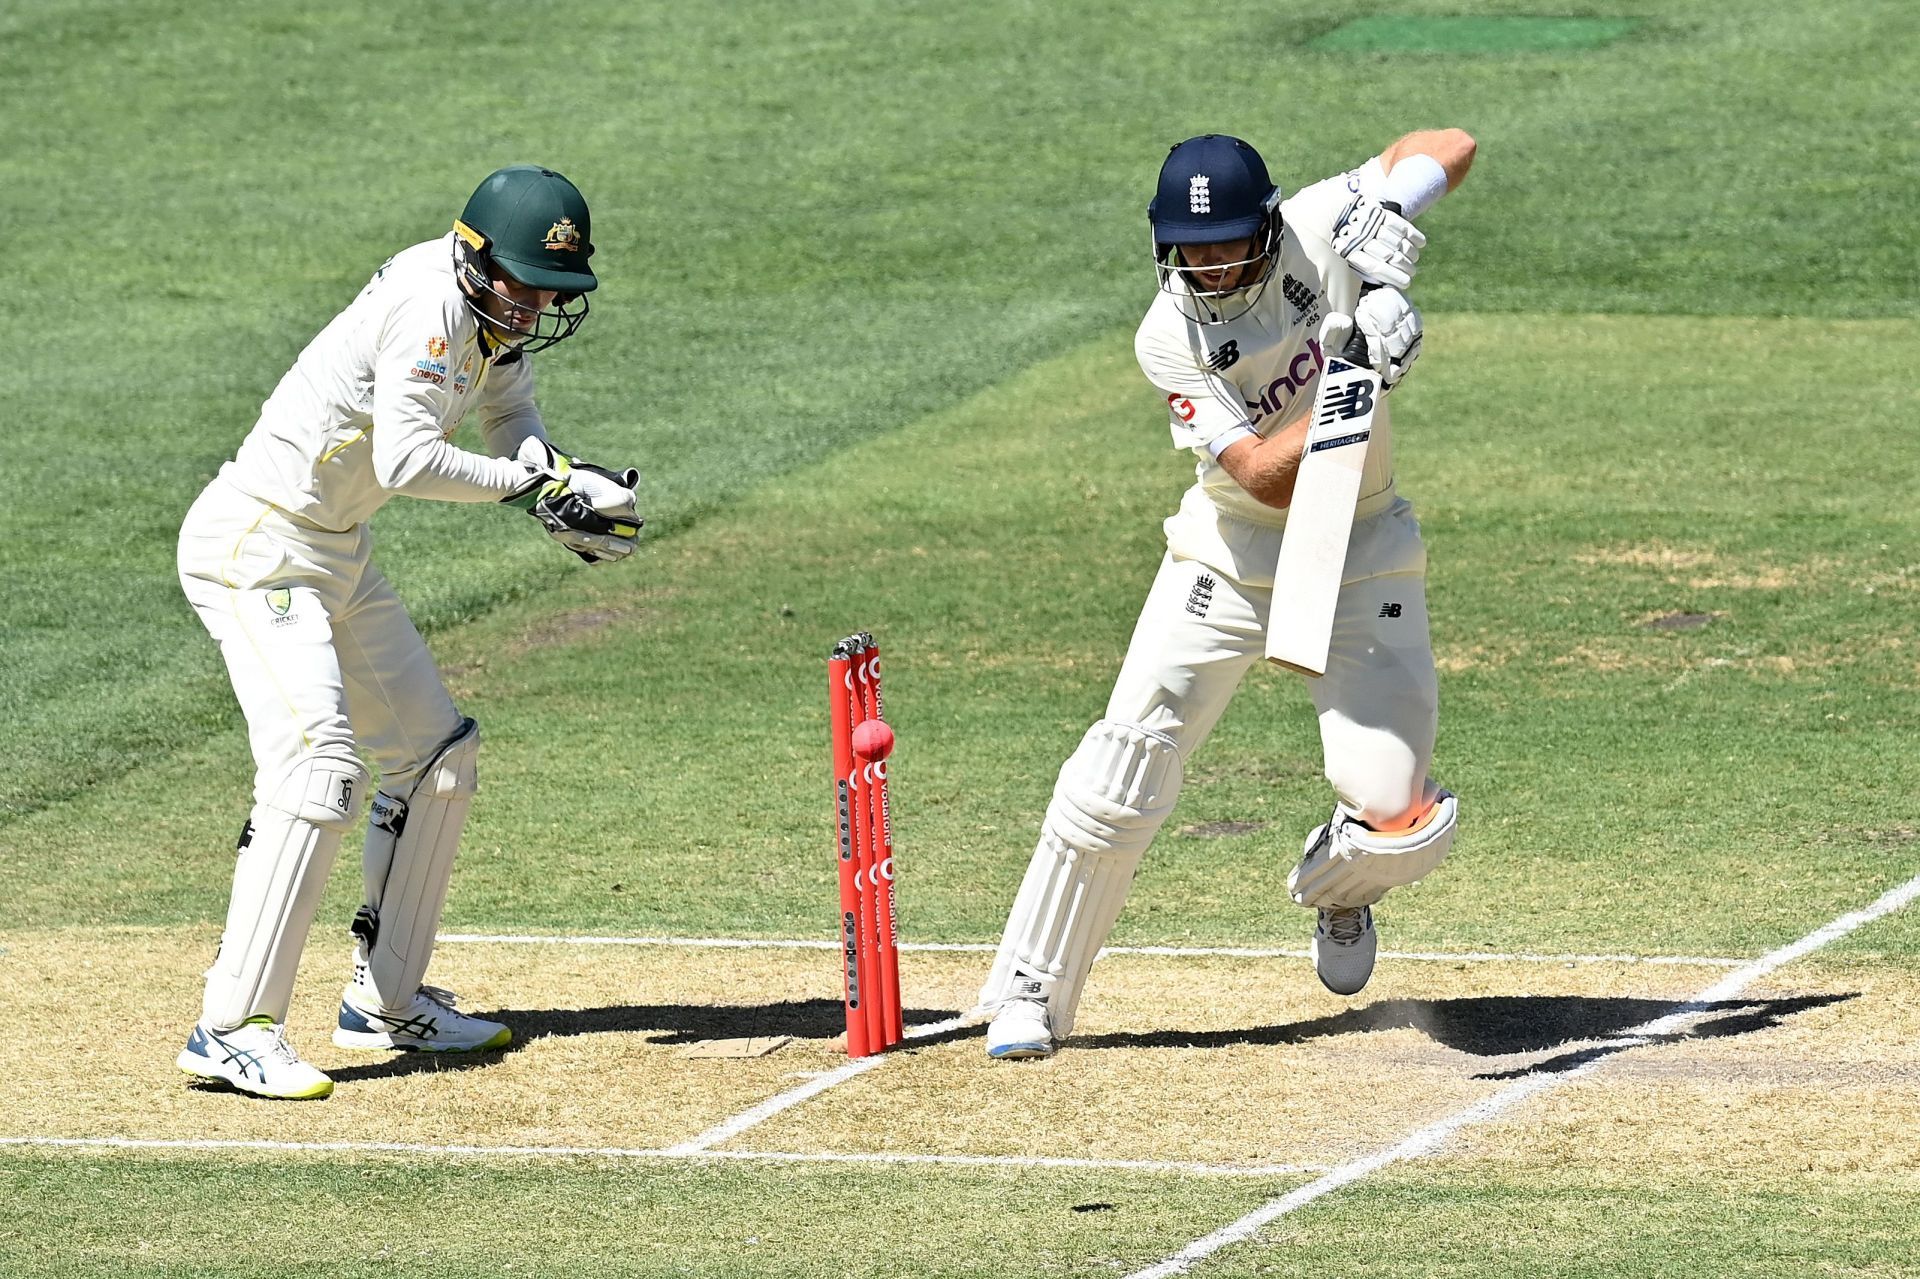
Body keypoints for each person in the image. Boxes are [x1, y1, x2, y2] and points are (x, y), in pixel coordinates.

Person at [977, 130, 1476, 1059]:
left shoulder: (1318, 221)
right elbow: (1262, 476)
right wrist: (1356, 371)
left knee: (1402, 810)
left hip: (1363, 545)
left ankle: (1344, 885)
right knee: (1119, 767)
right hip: (1231, 556)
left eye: (1226, 244)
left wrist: (1395, 206)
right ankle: (1030, 990)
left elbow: (1452, 143)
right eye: (1188, 248)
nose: (1207, 265)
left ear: (1267, 223)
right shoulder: (1167, 336)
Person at [175, 165, 643, 1099]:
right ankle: (230, 1027)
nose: (539, 305)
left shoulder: (494, 308)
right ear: (476, 260)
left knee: (437, 757)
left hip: (333, 547)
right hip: (258, 546)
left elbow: (510, 412)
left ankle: (384, 1001)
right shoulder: (431, 305)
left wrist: (550, 474)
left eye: (555, 290)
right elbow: (407, 457)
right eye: (528, 284)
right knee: (319, 770)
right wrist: (531, 488)